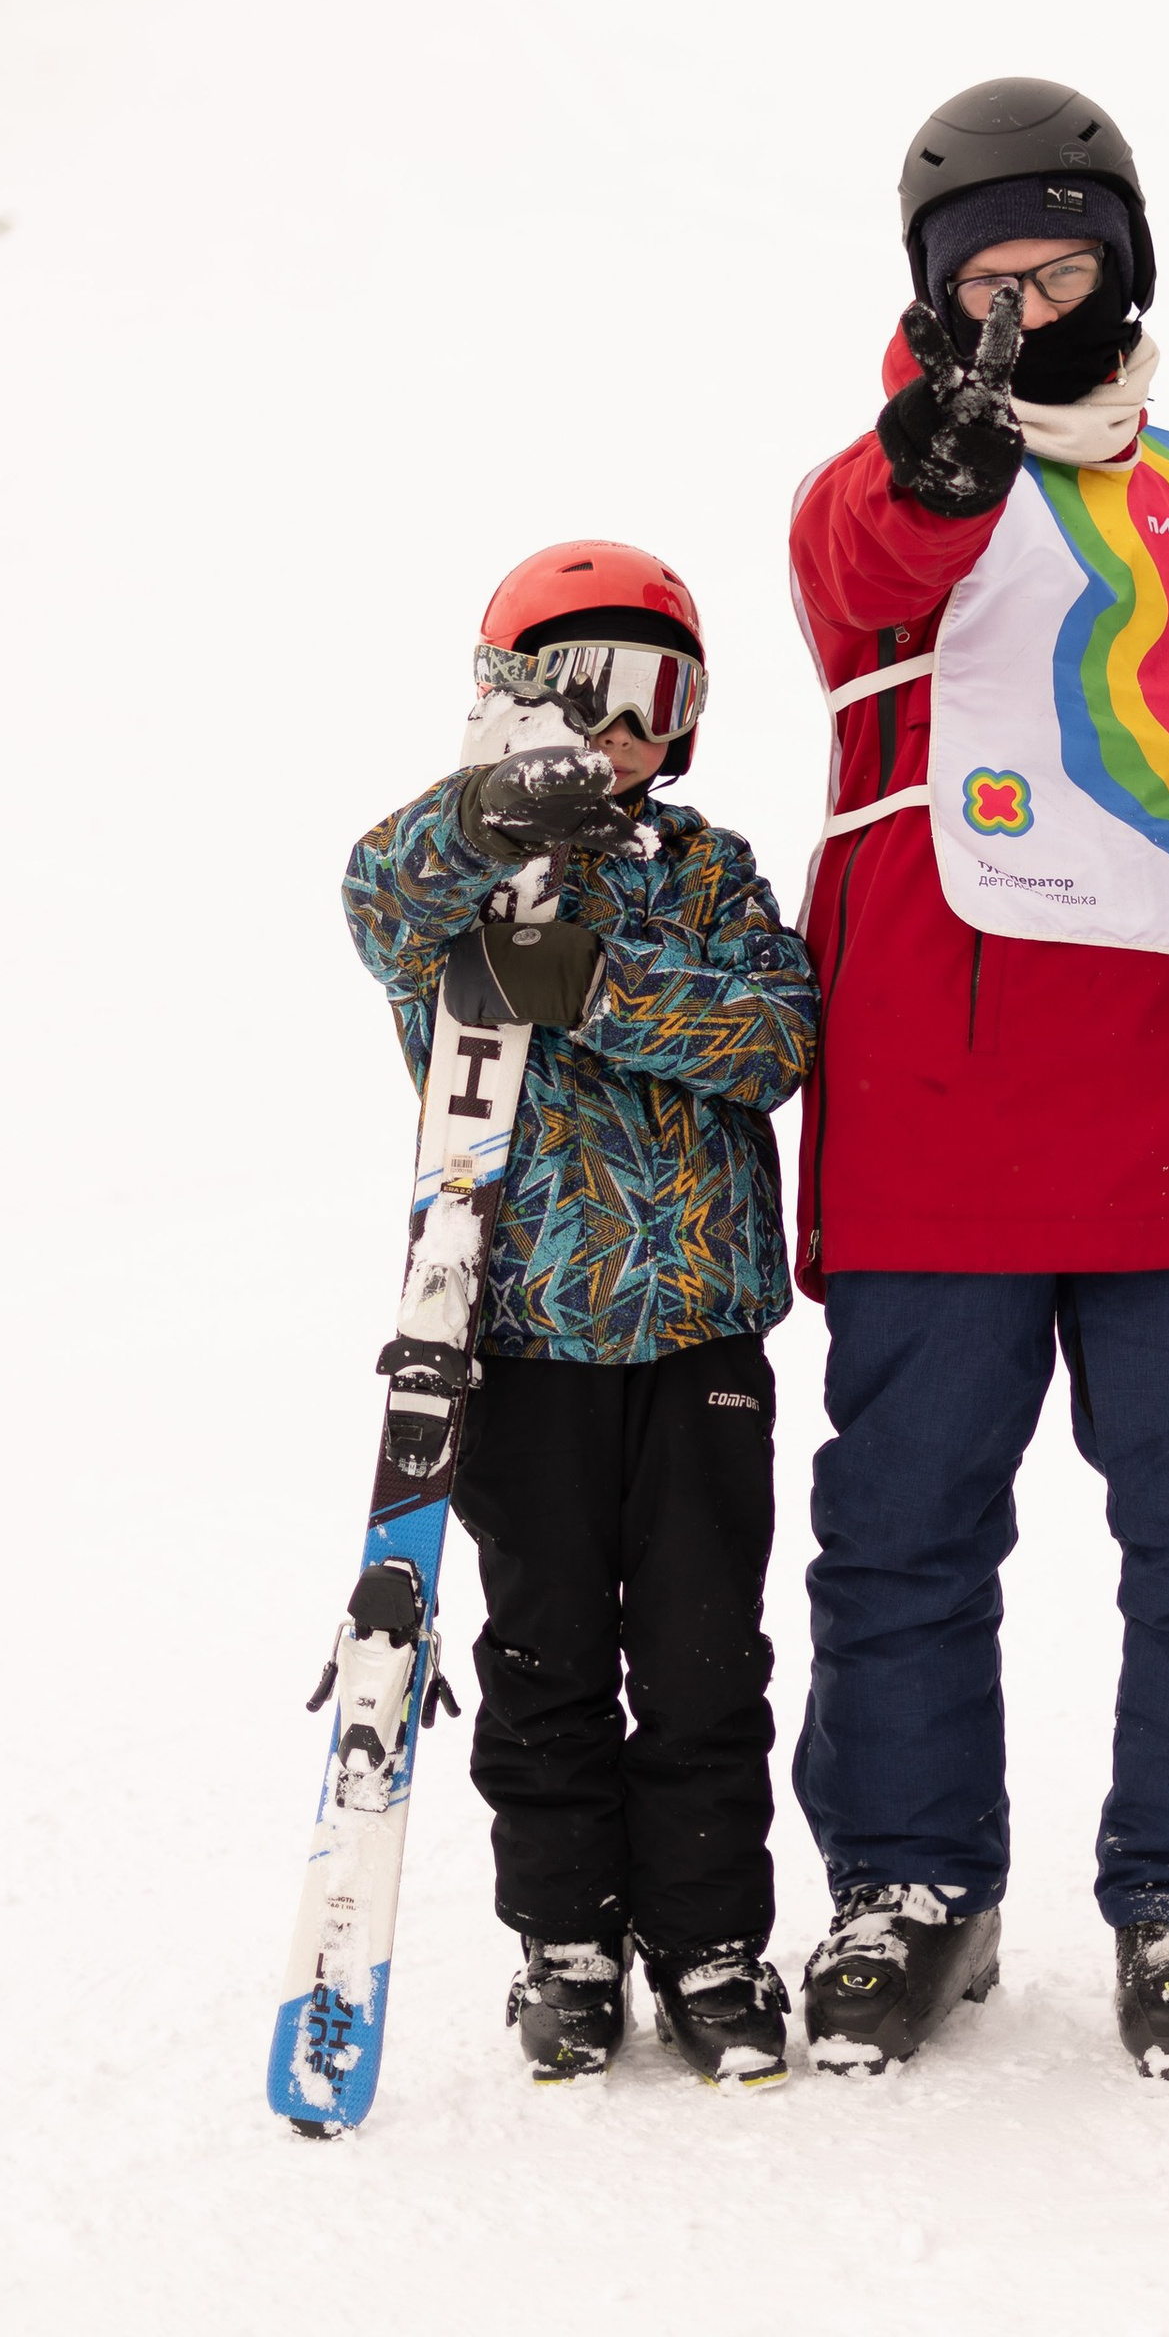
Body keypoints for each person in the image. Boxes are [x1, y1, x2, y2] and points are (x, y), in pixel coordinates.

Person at [786, 76, 1169, 2083]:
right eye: (984, 280)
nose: (1023, 310)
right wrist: (934, 451)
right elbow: (864, 565)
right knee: (906, 1521)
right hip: (941, 1091)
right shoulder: (880, 480)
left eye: (1060, 273)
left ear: (1124, 274)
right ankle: (910, 1884)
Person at [343, 540, 817, 2089]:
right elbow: (376, 899)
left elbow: (776, 1036)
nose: (621, 734)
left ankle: (711, 1944)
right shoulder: (447, 874)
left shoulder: (707, 869)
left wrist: (598, 988)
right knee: (545, 1655)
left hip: (699, 1339)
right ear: (513, 697)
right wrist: (491, 812)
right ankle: (565, 1943)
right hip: (525, 1338)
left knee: (703, 1656)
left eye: (656, 700)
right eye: (587, 695)